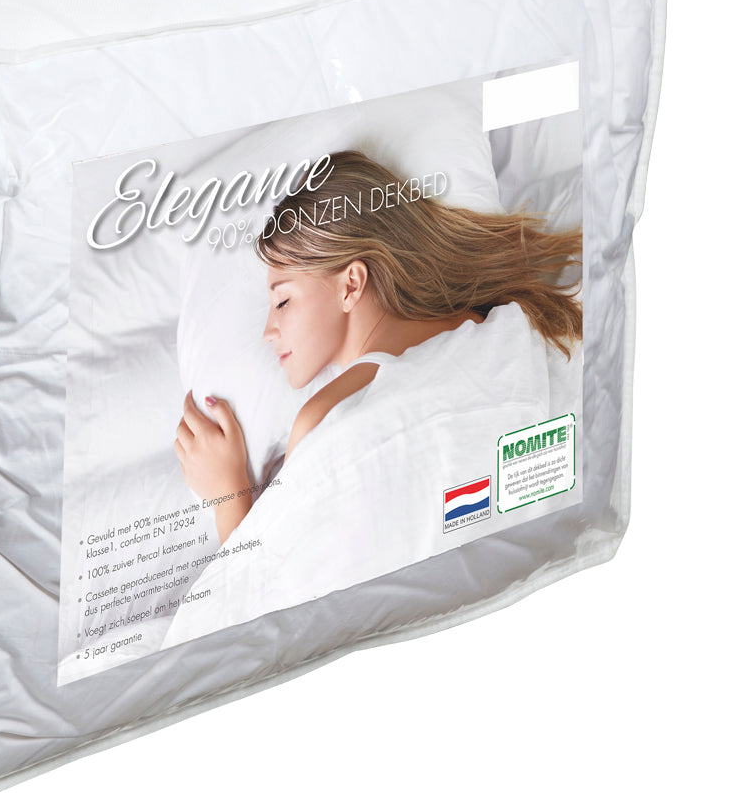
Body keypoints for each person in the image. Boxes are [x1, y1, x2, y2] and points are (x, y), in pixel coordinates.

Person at [172, 148, 582, 543]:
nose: (268, 331)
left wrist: (228, 495)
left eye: (283, 301)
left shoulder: (323, 417)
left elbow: (276, 579)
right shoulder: (487, 321)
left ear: (351, 284)